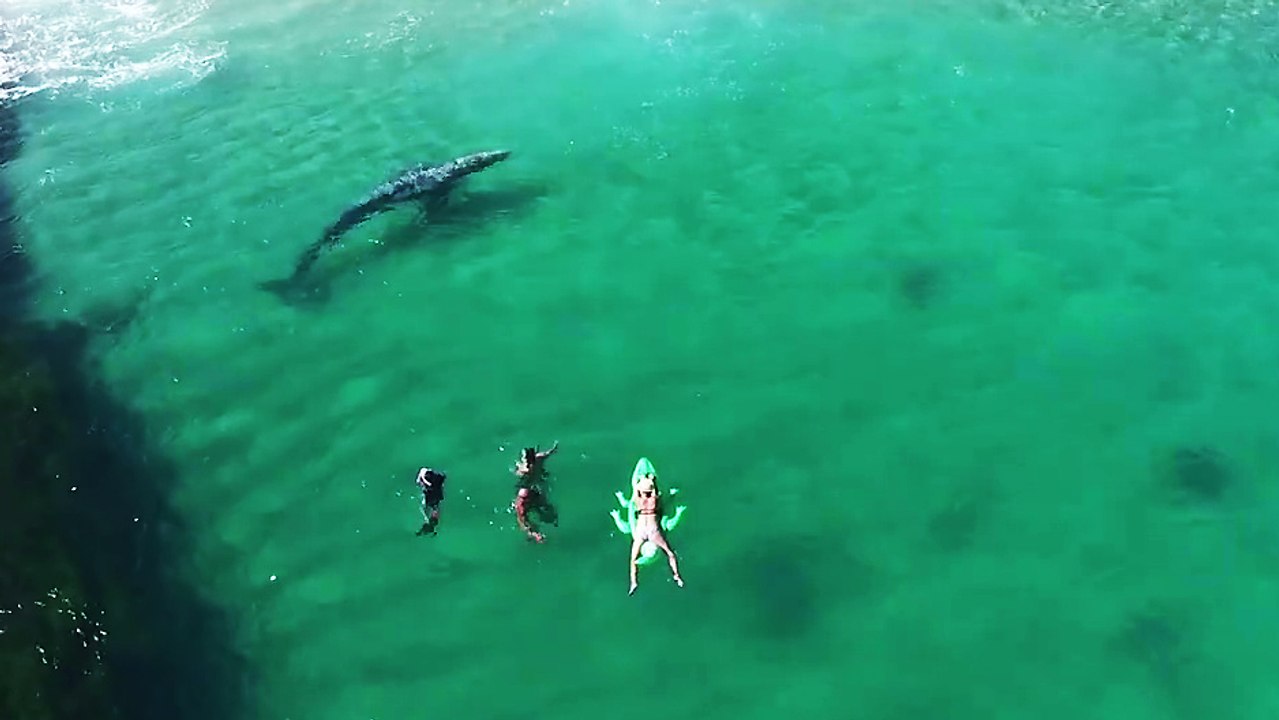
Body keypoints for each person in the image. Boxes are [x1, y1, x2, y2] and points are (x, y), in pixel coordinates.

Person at [628, 472, 683, 594]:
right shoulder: (654, 499)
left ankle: (633, 583)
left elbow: (635, 491)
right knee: (670, 553)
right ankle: (676, 576)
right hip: (653, 531)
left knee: (633, 559)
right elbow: (655, 492)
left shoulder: (637, 500)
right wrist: (652, 480)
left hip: (641, 530)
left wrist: (640, 482)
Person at [512, 441, 559, 542]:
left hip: (526, 495)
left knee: (523, 520)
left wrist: (519, 466)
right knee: (543, 507)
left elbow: (518, 472)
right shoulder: (539, 459)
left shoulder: (524, 470)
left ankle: (535, 535)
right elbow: (548, 453)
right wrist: (553, 449)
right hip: (534, 493)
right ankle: (551, 522)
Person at [415, 467, 447, 536]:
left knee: (426, 508)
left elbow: (422, 476)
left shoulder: (426, 478)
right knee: (435, 508)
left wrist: (423, 481)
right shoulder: (438, 481)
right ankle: (433, 525)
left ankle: (428, 521)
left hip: (431, 495)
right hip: (437, 495)